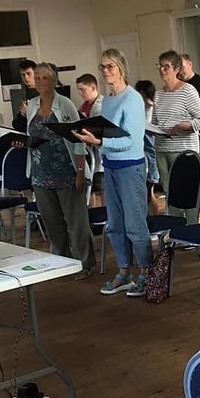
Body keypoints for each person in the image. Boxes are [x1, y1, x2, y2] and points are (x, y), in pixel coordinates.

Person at [73, 49, 153, 297]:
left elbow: (131, 140)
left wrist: (97, 142)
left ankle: (146, 273)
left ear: (121, 68)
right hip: (111, 167)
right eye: (103, 67)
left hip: (130, 167)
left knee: (135, 225)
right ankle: (124, 272)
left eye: (110, 66)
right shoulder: (107, 101)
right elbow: (107, 134)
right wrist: (91, 137)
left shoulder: (133, 99)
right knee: (116, 224)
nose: (106, 71)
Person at [19, 62, 96, 280]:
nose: (41, 81)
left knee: (76, 222)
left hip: (67, 171)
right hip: (40, 174)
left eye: (45, 78)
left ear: (54, 81)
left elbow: (79, 138)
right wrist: (23, 143)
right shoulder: (32, 105)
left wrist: (80, 171)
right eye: (38, 78)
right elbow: (33, 136)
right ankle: (61, 261)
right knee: (52, 222)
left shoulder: (65, 104)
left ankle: (84, 263)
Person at [151, 50, 200, 225]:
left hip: (183, 149)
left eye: (166, 66)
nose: (162, 70)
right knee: (170, 194)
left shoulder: (187, 91)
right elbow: (154, 121)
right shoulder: (159, 94)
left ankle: (192, 229)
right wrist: (153, 129)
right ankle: (176, 230)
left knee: (187, 192)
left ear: (176, 69)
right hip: (162, 148)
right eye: (160, 66)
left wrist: (186, 125)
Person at [76, 73, 105, 202]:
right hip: (88, 152)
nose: (80, 93)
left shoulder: (102, 105)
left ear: (93, 88)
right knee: (90, 188)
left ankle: (106, 217)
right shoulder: (83, 106)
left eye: (82, 90)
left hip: (100, 153)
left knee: (103, 188)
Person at [135, 80, 161, 216]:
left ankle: (153, 219)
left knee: (149, 191)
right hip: (143, 154)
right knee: (145, 191)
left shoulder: (152, 108)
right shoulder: (140, 108)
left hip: (151, 154)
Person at [12, 59, 37, 132]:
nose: (26, 77)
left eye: (28, 74)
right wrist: (22, 114)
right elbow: (17, 126)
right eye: (23, 75)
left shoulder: (46, 93)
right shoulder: (25, 94)